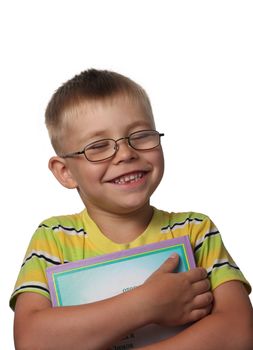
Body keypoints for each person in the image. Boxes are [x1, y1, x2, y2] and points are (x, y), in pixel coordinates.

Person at [11, 69, 253, 350]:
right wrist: (146, 304)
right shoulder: (53, 238)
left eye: (140, 136)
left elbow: (240, 331)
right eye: (99, 146)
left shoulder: (196, 230)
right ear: (65, 172)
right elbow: (31, 340)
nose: (126, 154)